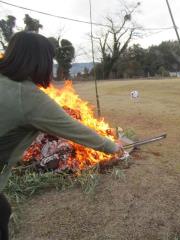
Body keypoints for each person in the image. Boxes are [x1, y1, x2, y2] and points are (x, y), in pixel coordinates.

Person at [0, 31, 122, 240]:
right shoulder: (28, 96)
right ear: (40, 61)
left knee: (3, 211)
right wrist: (112, 146)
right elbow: (74, 128)